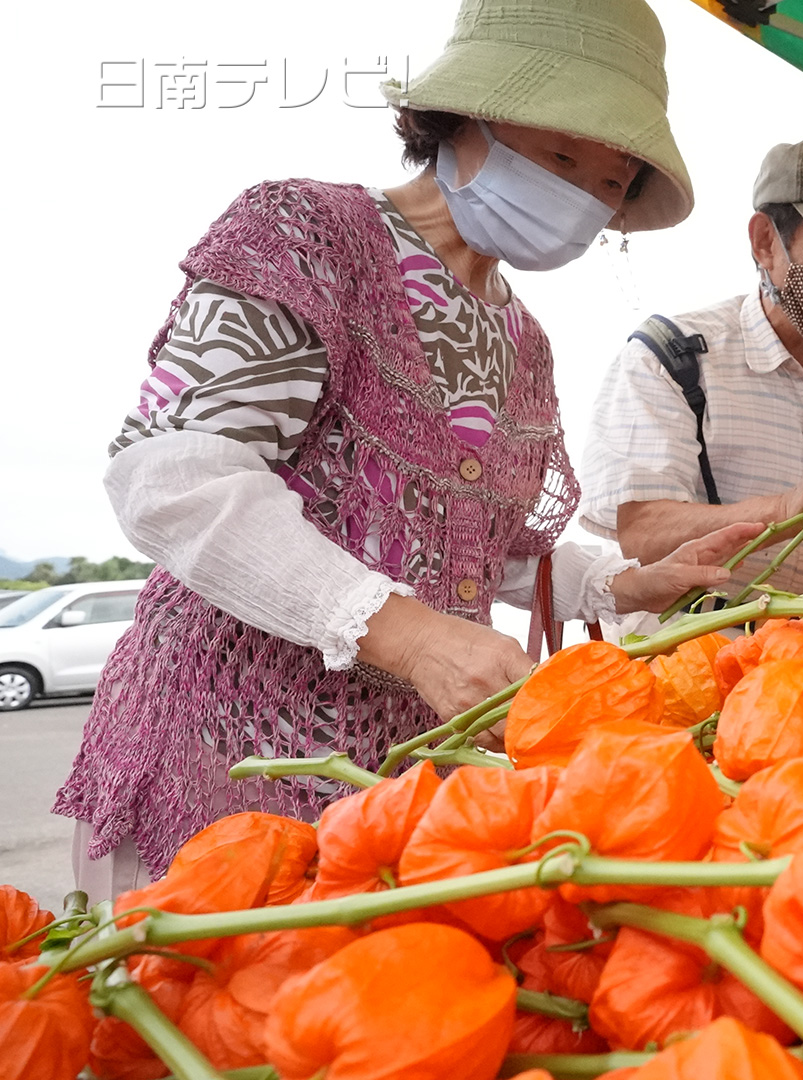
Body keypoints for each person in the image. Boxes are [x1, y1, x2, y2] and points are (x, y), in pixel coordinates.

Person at [53, 0, 758, 893]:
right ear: (462, 120)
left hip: (387, 798)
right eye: (564, 155)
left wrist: (622, 582)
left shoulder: (522, 340)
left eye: (612, 182)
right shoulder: (305, 237)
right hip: (222, 756)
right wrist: (410, 637)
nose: (583, 196)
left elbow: (478, 547)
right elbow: (173, 478)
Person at [580, 140, 803, 600]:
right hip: (685, 653)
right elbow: (640, 529)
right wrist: (785, 507)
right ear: (764, 243)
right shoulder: (674, 357)